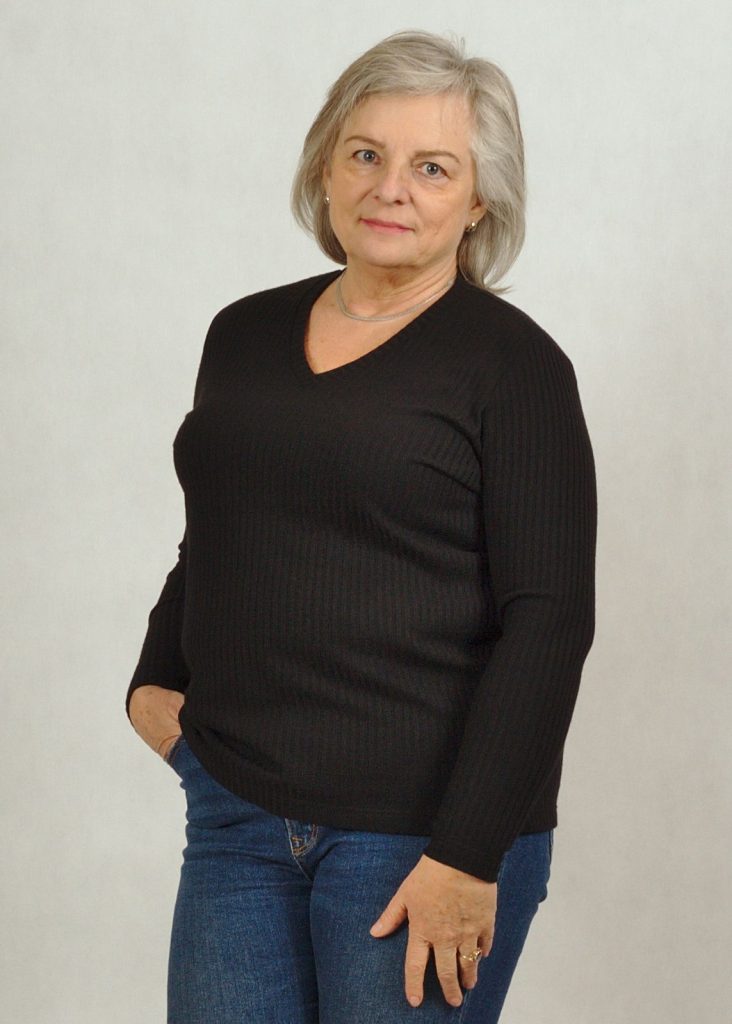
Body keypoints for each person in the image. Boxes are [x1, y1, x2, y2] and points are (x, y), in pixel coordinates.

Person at [126, 29, 597, 1024]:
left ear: (479, 200)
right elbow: (217, 528)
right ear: (326, 168)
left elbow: (549, 621)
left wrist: (468, 855)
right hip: (237, 814)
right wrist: (154, 674)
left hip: (420, 838)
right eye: (366, 154)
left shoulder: (515, 369)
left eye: (433, 167)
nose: (391, 188)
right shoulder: (243, 334)